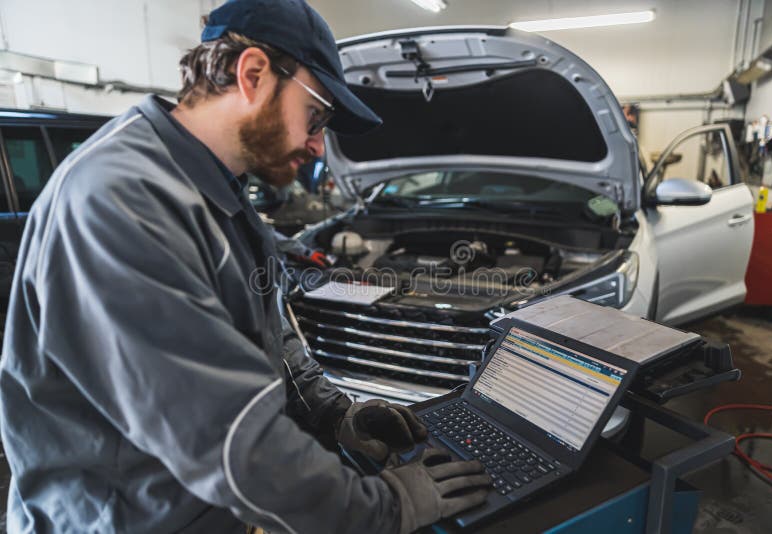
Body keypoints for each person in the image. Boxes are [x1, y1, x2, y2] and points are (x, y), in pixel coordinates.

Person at [0, 0, 491, 532]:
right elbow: (227, 439)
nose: (320, 145)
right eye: (318, 115)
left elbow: (266, 336)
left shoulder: (217, 198)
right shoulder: (122, 199)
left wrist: (334, 415)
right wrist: (390, 508)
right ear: (253, 73)